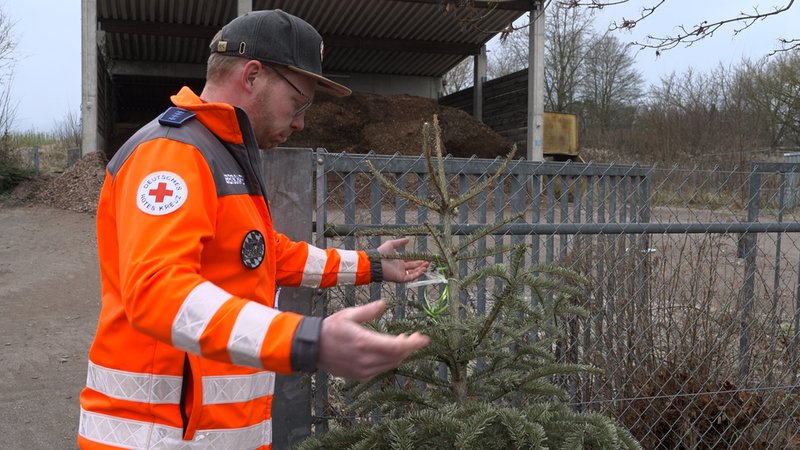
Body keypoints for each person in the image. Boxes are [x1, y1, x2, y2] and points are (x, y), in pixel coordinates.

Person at [78, 9, 429, 449]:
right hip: (155, 437)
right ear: (252, 76)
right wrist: (307, 340)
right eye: (298, 104)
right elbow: (156, 290)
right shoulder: (172, 154)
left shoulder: (221, 153)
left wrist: (373, 265)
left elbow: (262, 254)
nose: (300, 123)